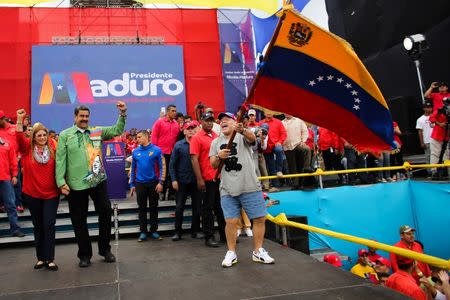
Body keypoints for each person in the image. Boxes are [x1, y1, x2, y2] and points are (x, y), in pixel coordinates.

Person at [55, 102, 127, 267]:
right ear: (75, 117)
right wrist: (61, 182)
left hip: (97, 179)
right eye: (81, 116)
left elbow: (117, 130)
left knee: (105, 211)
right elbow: (60, 160)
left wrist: (122, 114)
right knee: (79, 220)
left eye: (87, 116)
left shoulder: (96, 132)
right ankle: (84, 255)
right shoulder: (65, 135)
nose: (84, 119)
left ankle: (105, 249)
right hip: (76, 183)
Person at [210, 112, 274, 267]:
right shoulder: (215, 142)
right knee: (230, 221)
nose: (223, 122)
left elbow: (253, 140)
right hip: (227, 188)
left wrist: (243, 130)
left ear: (234, 122)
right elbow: (213, 164)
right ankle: (231, 252)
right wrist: (218, 156)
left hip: (250, 185)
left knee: (259, 218)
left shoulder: (242, 136)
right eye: (221, 121)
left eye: (227, 120)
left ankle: (258, 251)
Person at [16, 109, 60, 270]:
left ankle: (50, 258)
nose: (42, 137)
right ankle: (40, 258)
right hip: (32, 194)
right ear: (33, 137)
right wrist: (20, 120)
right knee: (38, 226)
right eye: (39, 135)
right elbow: (19, 137)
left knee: (49, 224)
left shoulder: (54, 147)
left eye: (44, 135)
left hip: (51, 194)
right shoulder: (27, 149)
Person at [190, 112, 226, 247]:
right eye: (207, 120)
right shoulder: (196, 138)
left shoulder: (216, 136)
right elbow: (194, 159)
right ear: (201, 121)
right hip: (206, 179)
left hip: (219, 178)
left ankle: (224, 235)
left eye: (211, 120)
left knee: (221, 208)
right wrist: (200, 180)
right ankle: (209, 237)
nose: (210, 123)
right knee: (207, 209)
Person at [169, 121, 203, 241]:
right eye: (188, 129)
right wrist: (174, 180)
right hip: (181, 181)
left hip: (196, 180)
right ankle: (177, 232)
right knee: (179, 207)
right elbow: (172, 165)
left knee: (197, 207)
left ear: (196, 130)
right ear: (184, 131)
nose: (190, 131)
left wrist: (202, 179)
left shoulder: (199, 143)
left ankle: (196, 231)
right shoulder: (178, 145)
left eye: (193, 128)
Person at [130, 130, 165, 242]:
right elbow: (132, 169)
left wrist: (161, 182)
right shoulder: (135, 151)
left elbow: (162, 167)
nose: (137, 139)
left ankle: (154, 231)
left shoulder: (156, 150)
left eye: (139, 137)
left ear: (146, 137)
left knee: (154, 208)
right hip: (140, 184)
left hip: (153, 183)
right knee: (142, 209)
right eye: (137, 137)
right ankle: (143, 232)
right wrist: (131, 184)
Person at [0, 110, 24, 237]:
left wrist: (14, 175)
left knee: (10, 204)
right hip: (5, 176)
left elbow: (12, 160)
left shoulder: (6, 143)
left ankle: (15, 229)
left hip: (5, 177)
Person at [151, 104, 180, 200]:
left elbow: (177, 139)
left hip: (173, 152)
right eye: (173, 111)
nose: (175, 113)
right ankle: (161, 193)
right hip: (161, 152)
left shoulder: (176, 124)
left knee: (173, 172)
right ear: (167, 112)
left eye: (175, 111)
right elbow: (154, 137)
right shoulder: (159, 122)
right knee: (163, 172)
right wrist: (154, 152)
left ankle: (172, 193)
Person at [282, 114, 310, 189]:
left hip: (298, 144)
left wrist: (303, 141)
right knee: (292, 167)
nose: (286, 113)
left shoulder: (299, 120)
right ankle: (296, 184)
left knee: (306, 149)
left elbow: (305, 132)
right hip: (287, 147)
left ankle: (307, 168)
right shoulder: (281, 123)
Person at [261, 112, 287, 186]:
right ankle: (276, 185)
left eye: (270, 111)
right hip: (266, 147)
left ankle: (279, 170)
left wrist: (280, 142)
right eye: (267, 111)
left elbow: (284, 133)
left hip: (276, 145)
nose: (269, 113)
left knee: (279, 150)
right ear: (264, 113)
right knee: (271, 166)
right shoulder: (261, 123)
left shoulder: (278, 122)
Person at [429, 103, 449, 180]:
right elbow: (431, 118)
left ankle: (446, 171)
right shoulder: (440, 110)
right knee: (435, 154)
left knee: (447, 155)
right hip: (436, 136)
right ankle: (434, 171)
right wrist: (439, 124)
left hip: (446, 137)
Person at [416, 101, 434, 170]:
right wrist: (422, 142)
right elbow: (420, 132)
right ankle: (430, 172)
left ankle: (439, 172)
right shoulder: (420, 119)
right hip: (427, 141)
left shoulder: (436, 116)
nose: (429, 109)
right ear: (424, 109)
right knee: (428, 157)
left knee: (437, 156)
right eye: (427, 108)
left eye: (430, 108)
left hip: (437, 140)